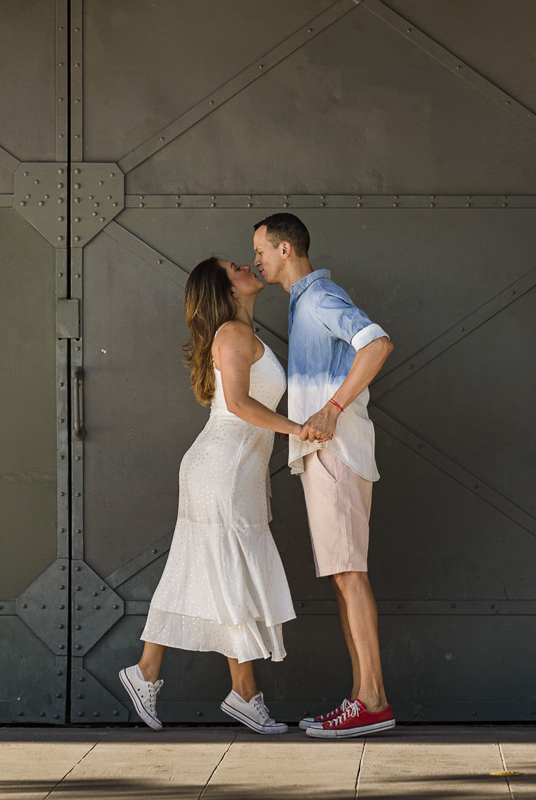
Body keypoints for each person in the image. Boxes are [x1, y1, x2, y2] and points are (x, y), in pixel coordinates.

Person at [118, 257, 301, 735]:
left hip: (231, 467)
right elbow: (239, 404)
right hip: (223, 468)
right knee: (224, 572)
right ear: (227, 288)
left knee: (210, 570)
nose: (247, 266)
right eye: (236, 267)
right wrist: (298, 430)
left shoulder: (240, 334)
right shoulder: (234, 336)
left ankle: (153, 672)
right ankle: (240, 693)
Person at [253, 213, 396, 739]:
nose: (257, 261)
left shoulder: (318, 298)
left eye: (262, 251)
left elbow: (377, 343)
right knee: (343, 575)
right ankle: (362, 698)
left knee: (350, 574)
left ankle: (373, 700)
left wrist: (333, 408)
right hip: (326, 456)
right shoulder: (303, 303)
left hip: (337, 453)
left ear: (285, 248)